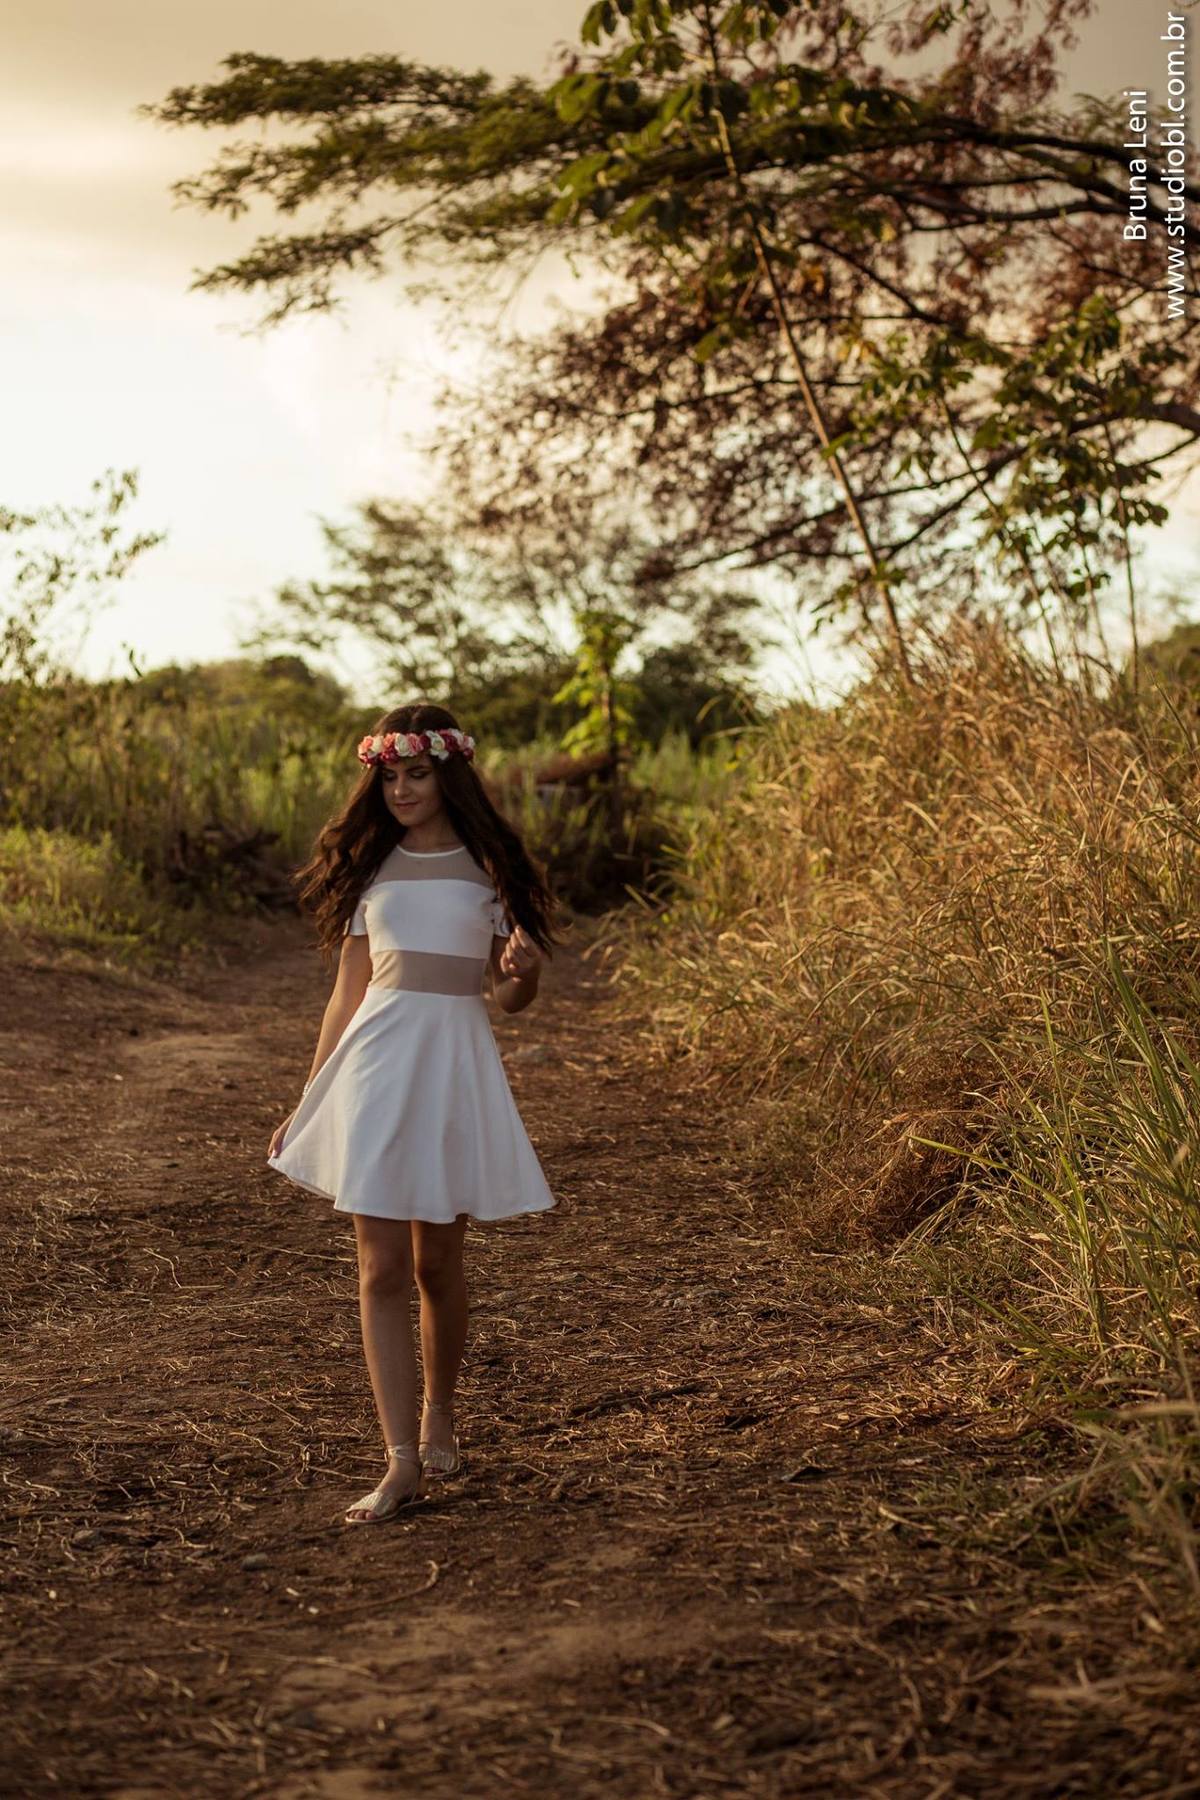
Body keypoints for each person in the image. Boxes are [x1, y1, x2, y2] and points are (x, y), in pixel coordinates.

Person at [267, 701, 560, 1525]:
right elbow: (346, 994)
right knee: (380, 1268)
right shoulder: (372, 869)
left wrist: (525, 970)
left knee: (437, 1265)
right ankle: (399, 1461)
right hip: (375, 1068)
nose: (400, 790)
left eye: (416, 774)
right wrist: (310, 1097)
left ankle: (440, 1406)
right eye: (389, 776)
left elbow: (508, 999)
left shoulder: (489, 870)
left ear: (449, 774)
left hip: (452, 1066)